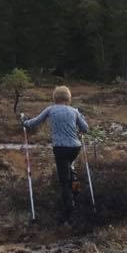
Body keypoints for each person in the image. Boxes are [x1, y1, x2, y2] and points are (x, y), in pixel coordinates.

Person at [21, 86, 88, 224]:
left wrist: (24, 122)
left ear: (55, 97)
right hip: (75, 147)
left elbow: (35, 122)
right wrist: (80, 117)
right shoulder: (74, 111)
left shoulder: (50, 109)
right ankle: (76, 193)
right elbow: (85, 129)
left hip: (60, 148)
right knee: (71, 172)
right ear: (68, 97)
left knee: (64, 180)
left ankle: (69, 209)